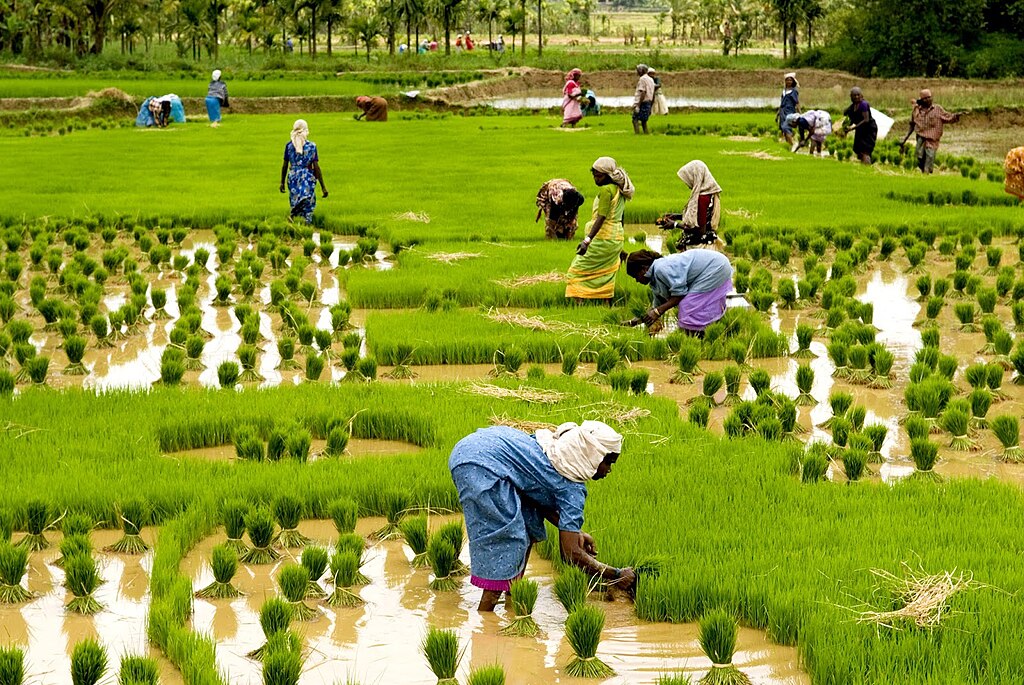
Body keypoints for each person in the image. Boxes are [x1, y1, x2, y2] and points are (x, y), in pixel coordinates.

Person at [449, 422, 637, 611]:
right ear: (592, 456)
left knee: (528, 522)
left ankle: (514, 601)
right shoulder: (573, 488)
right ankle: (485, 620)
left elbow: (536, 494)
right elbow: (570, 554)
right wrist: (617, 574)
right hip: (481, 466)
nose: (609, 470)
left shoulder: (555, 451)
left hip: (471, 448)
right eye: (608, 462)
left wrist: (575, 531)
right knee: (510, 541)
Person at [566, 157, 633, 301]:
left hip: (602, 238)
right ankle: (605, 304)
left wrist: (587, 241)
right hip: (615, 240)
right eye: (594, 175)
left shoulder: (606, 191)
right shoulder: (620, 191)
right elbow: (621, 218)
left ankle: (579, 304)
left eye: (599, 176)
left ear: (608, 175)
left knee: (577, 271)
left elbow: (601, 217)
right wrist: (619, 245)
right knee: (606, 273)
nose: (595, 179)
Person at [623, 248, 734, 336]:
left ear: (643, 269)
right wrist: (635, 322)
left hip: (716, 267)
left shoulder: (660, 269)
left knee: (687, 306)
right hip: (714, 266)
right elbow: (657, 306)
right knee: (692, 306)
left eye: (635, 277)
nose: (637, 281)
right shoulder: (655, 281)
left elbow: (679, 295)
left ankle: (695, 340)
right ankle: (702, 336)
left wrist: (657, 312)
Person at [656, 161, 722, 248]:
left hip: (700, 247)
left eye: (689, 179)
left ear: (696, 178)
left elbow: (700, 230)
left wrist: (675, 224)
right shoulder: (710, 194)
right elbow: (700, 217)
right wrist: (677, 216)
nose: (687, 184)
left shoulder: (702, 198)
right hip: (707, 243)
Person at [899, 89, 960, 174]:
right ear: (921, 100)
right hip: (920, 139)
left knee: (929, 158)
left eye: (929, 97)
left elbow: (948, 117)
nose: (928, 99)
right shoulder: (917, 111)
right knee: (918, 158)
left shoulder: (937, 109)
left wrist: (956, 116)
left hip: (932, 140)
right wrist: (905, 138)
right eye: (926, 98)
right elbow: (912, 125)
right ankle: (923, 173)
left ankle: (927, 174)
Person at [279, 119, 328, 224]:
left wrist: (282, 182)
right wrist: (323, 187)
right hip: (307, 177)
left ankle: (294, 219)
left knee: (295, 200)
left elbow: (285, 166)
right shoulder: (311, 146)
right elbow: (316, 167)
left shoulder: (289, 146)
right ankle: (305, 225)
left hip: (292, 177)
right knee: (307, 202)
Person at [841, 87, 877, 164]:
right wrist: (844, 127)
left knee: (865, 150)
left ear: (862, 96)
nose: (856, 97)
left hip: (868, 129)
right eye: (854, 95)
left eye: (858, 95)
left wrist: (852, 128)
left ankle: (866, 167)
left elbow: (866, 120)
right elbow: (849, 117)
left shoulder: (863, 104)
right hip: (861, 129)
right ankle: (867, 163)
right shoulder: (852, 107)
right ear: (851, 97)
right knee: (858, 150)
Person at [777, 73, 800, 146]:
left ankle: (791, 145)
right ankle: (788, 146)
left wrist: (800, 113)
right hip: (782, 112)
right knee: (783, 129)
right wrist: (778, 113)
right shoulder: (784, 91)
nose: (789, 82)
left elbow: (797, 103)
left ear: (793, 81)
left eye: (790, 80)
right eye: (787, 80)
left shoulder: (794, 91)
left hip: (789, 112)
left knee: (786, 127)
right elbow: (781, 102)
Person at [632, 64, 655, 135]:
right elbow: (653, 94)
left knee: (635, 119)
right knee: (644, 121)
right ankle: (646, 134)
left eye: (638, 70)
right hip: (648, 102)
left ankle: (637, 134)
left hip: (643, 102)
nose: (637, 72)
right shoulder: (651, 79)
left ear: (642, 71)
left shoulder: (642, 79)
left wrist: (638, 105)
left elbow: (643, 92)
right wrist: (651, 105)